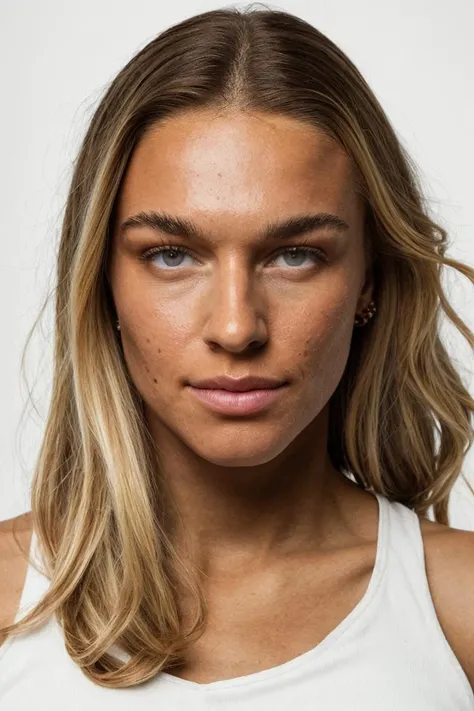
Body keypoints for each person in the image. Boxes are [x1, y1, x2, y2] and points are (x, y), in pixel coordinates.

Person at [1, 5, 474, 709]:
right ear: (103, 279)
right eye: (171, 254)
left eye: (295, 254)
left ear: (366, 278)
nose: (235, 325)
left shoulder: (459, 610)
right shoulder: (8, 597)